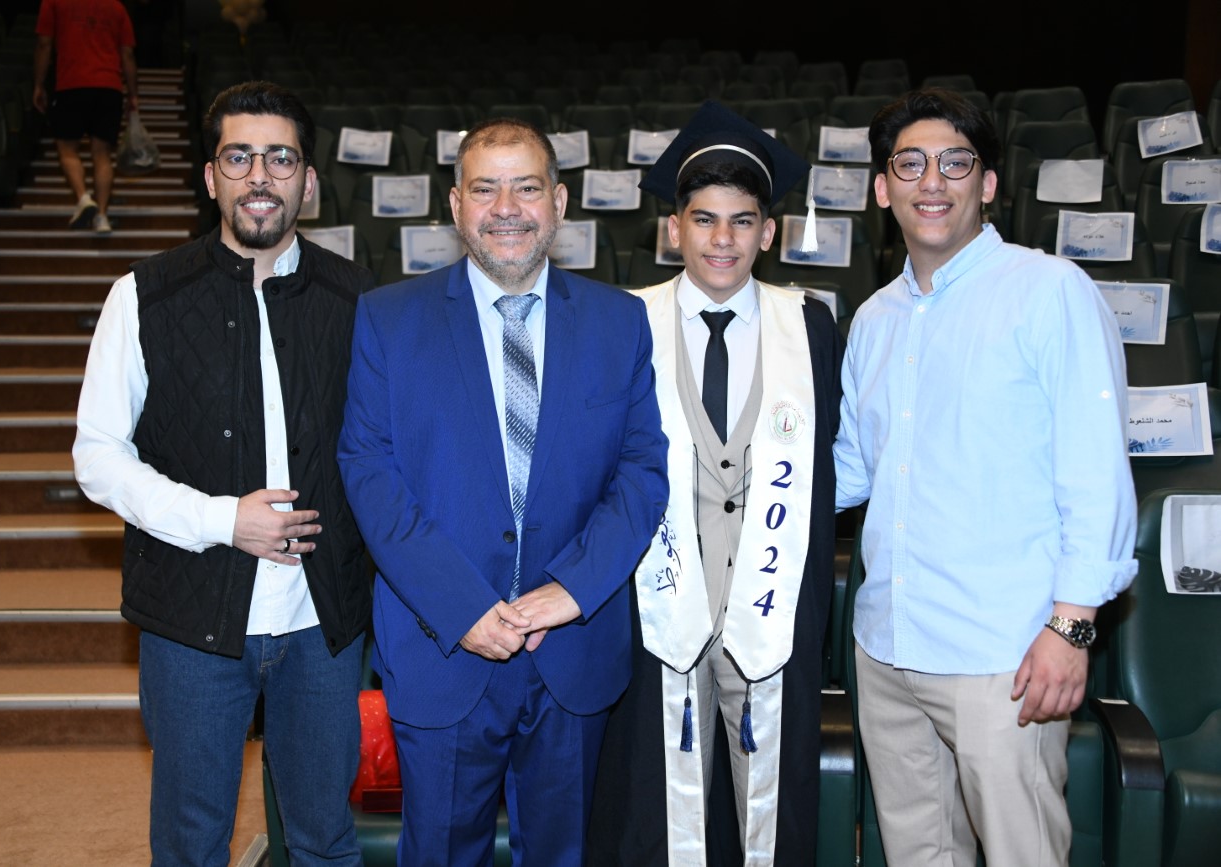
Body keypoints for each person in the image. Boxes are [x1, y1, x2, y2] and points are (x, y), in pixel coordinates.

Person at [337, 117, 669, 867]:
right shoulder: (388, 319)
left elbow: (642, 470)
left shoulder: (620, 321)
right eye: (485, 189)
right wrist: (461, 607)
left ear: (559, 202)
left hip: (573, 650)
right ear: (456, 206)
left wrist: (572, 589)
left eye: (526, 188)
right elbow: (369, 470)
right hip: (441, 648)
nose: (507, 208)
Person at [833, 88, 1138, 866]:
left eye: (956, 163)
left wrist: (1071, 629)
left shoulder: (1049, 290)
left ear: (988, 184)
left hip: (1004, 655)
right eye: (910, 164)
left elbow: (1096, 473)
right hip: (887, 647)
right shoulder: (873, 320)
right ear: (883, 188)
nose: (932, 181)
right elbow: (851, 470)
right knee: (918, 854)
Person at [73, 81, 374, 866]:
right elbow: (97, 455)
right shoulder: (143, 296)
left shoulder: (360, 300)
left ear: (308, 181)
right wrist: (221, 519)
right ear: (211, 177)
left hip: (323, 623)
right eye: (239, 157)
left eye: (281, 158)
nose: (260, 176)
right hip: (192, 618)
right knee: (191, 844)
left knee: (325, 840)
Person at [587, 100, 844, 866]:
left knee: (773, 816)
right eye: (703, 220)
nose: (722, 239)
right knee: (658, 817)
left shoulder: (811, 327)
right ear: (674, 230)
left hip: (772, 614)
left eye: (741, 221)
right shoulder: (625, 323)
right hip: (661, 612)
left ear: (769, 232)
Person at [33, 0, 140, 234]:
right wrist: (133, 94)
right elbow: (128, 54)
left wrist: (39, 84)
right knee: (102, 154)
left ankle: (83, 198)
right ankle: (101, 216)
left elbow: (44, 43)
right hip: (108, 88)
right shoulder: (116, 7)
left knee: (67, 149)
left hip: (70, 84)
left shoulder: (54, 2)